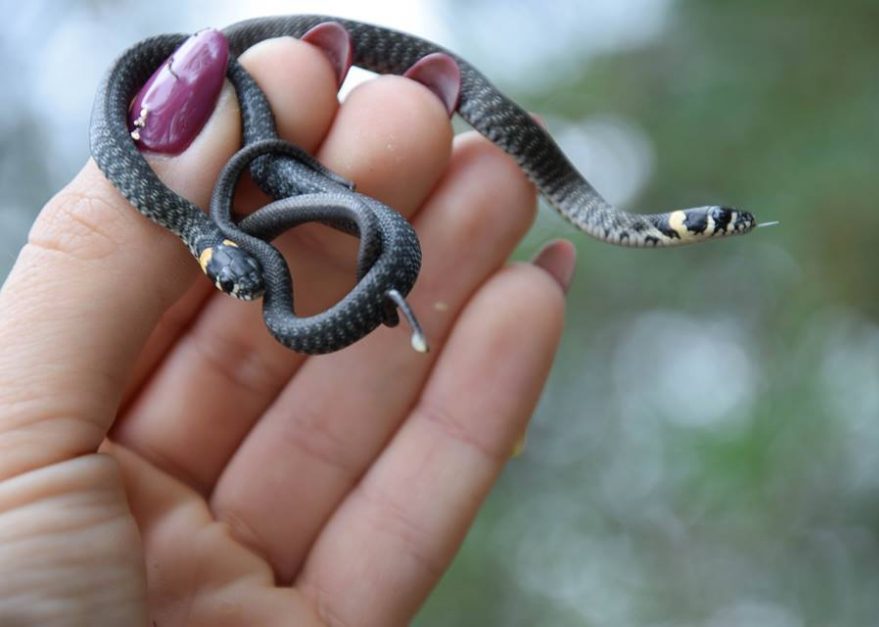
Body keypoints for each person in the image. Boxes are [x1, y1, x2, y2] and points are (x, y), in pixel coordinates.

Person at [0, 26, 575, 625]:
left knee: (369, 183)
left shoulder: (215, 230)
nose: (243, 292)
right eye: (232, 284)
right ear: (212, 252)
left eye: (239, 280)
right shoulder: (188, 220)